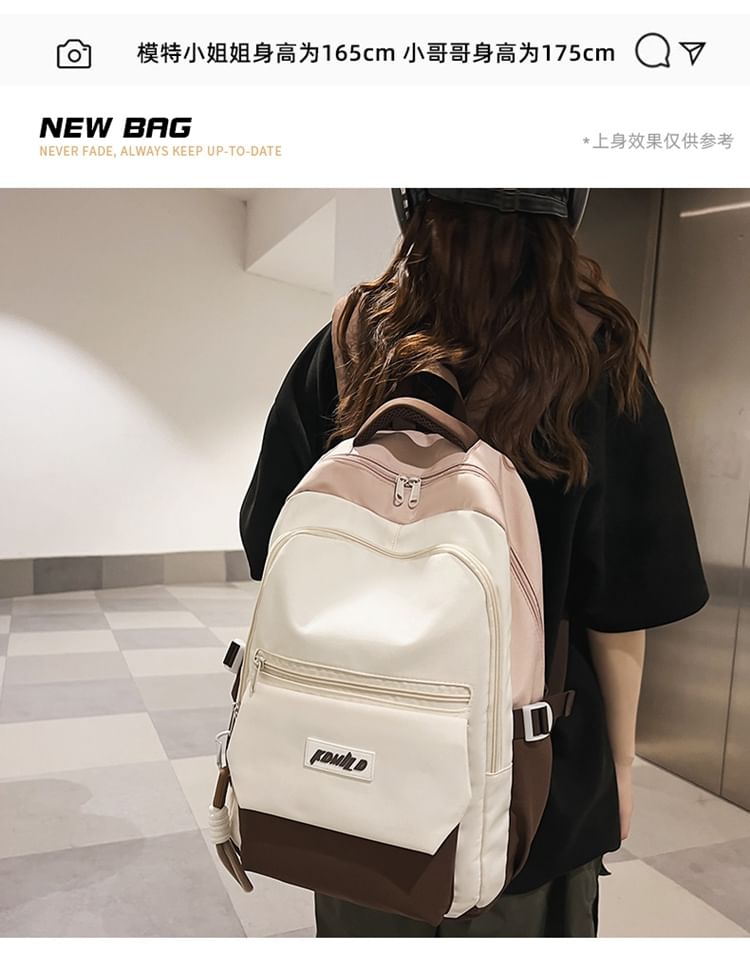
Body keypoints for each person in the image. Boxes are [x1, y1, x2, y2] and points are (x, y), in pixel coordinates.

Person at [239, 188, 709, 937]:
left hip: (353, 770)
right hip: (535, 785)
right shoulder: (589, 354)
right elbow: (622, 606)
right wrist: (619, 769)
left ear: (412, 200)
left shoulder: (354, 342)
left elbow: (268, 534)